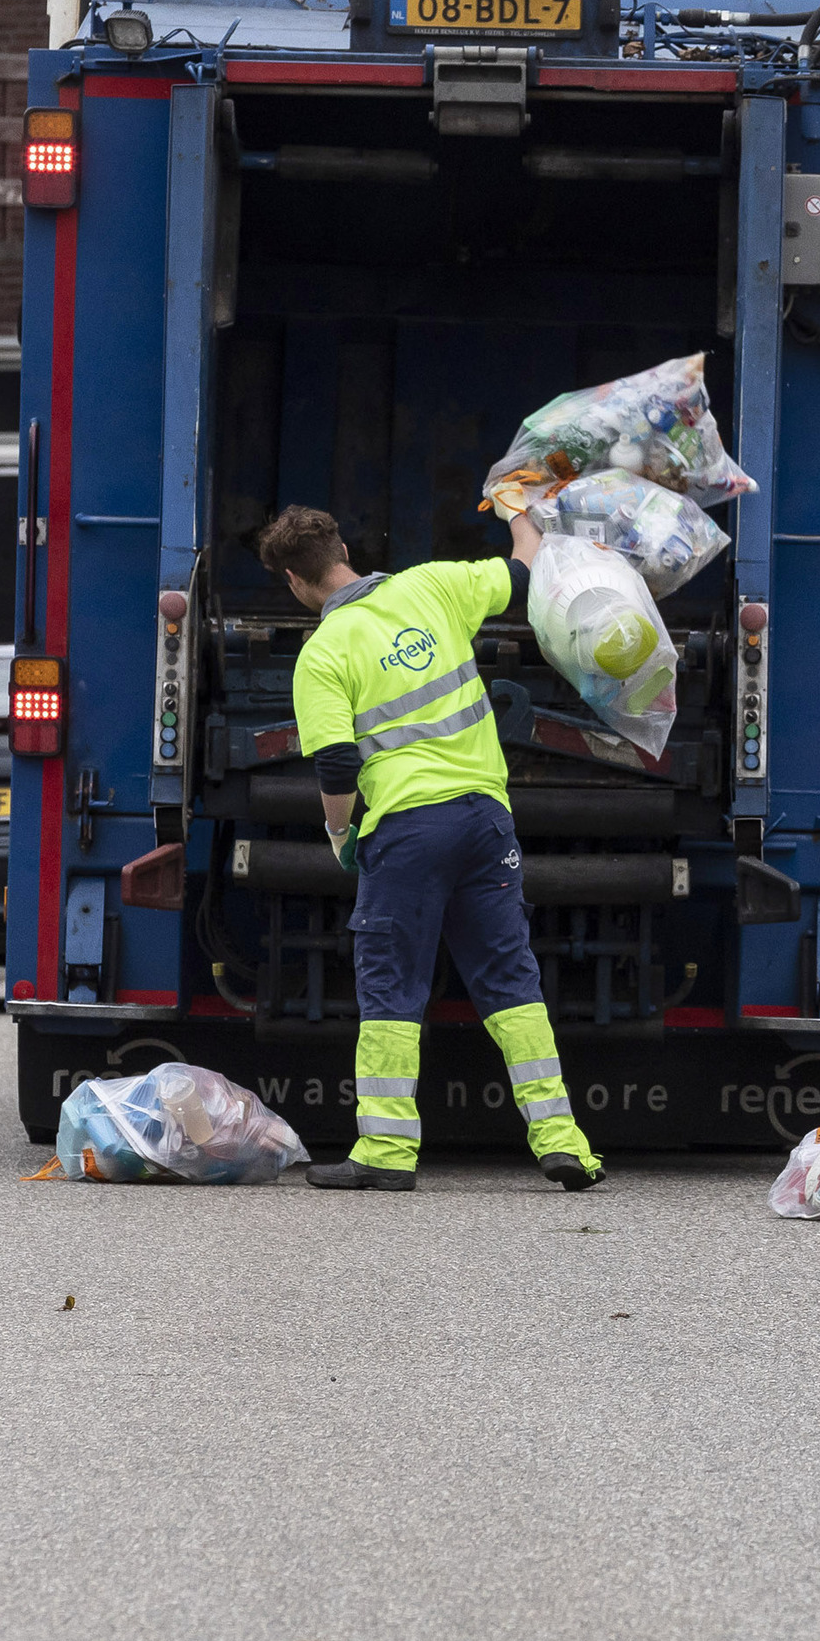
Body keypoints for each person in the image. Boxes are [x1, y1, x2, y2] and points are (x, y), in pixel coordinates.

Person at [256, 501, 602, 1193]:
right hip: (486, 822)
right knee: (510, 982)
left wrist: (338, 833)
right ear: (346, 546)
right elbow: (524, 570)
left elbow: (335, 768)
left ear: (294, 580)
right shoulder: (433, 584)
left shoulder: (324, 653)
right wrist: (521, 509)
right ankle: (564, 1144)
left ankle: (386, 1152)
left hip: (409, 832)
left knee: (392, 985)